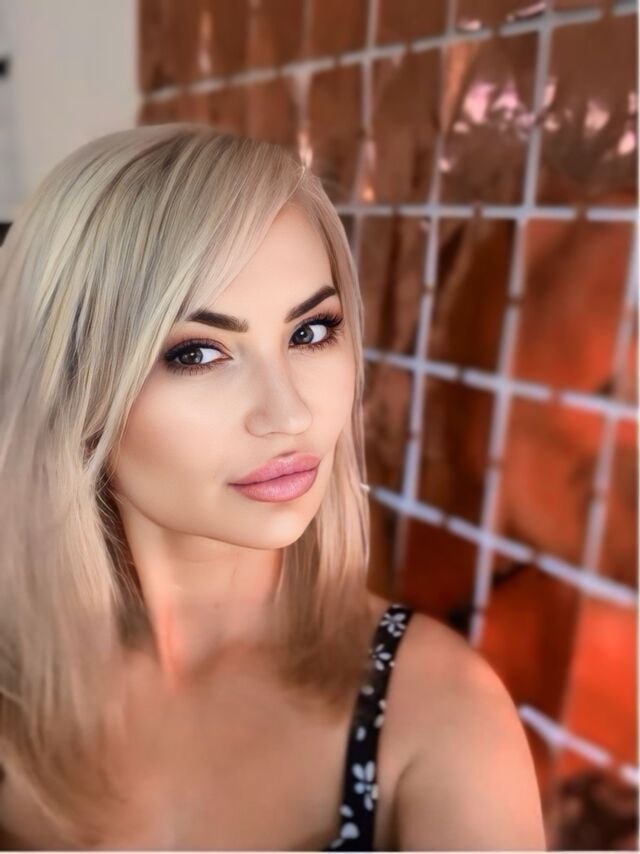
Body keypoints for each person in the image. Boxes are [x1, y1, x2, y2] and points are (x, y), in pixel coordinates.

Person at [0, 123, 546, 851]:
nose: (289, 414)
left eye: (311, 332)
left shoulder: (438, 712)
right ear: (70, 385)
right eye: (198, 352)